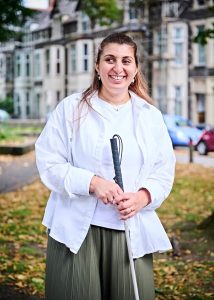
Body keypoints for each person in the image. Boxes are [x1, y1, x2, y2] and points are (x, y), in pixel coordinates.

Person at [35, 32, 176, 300]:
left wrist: (143, 196)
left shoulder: (149, 116)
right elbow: (49, 161)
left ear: (135, 69)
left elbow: (163, 169)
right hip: (76, 231)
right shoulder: (71, 109)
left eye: (126, 61)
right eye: (110, 59)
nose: (118, 68)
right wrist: (91, 182)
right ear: (98, 66)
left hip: (129, 230)